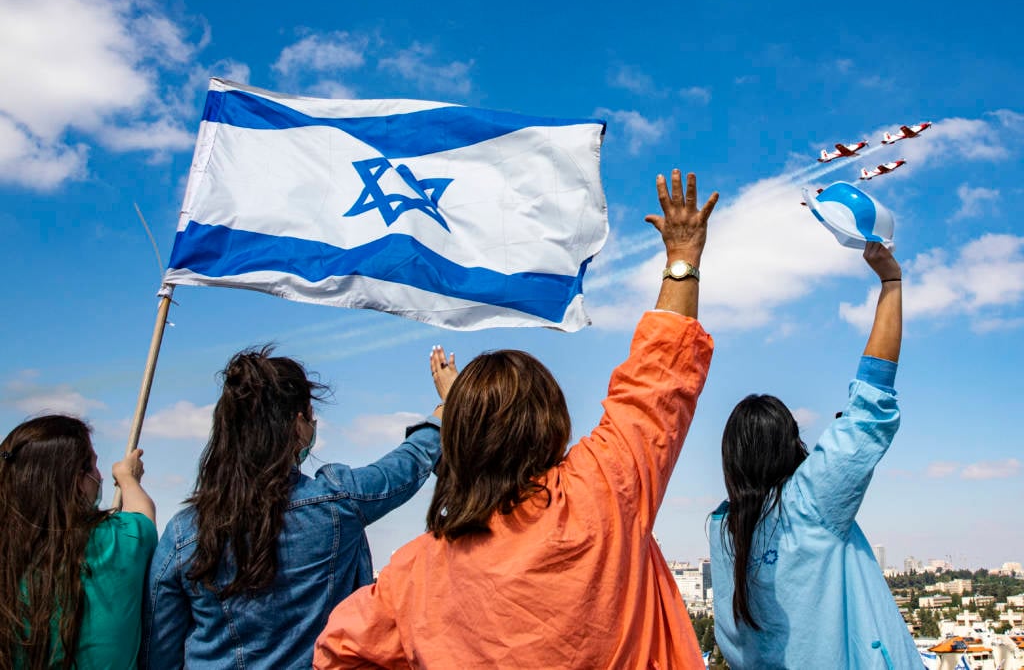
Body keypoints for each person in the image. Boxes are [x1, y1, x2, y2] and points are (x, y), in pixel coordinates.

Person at [314, 170, 719, 668]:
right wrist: (682, 258)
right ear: (552, 425)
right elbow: (658, 380)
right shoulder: (604, 493)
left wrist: (464, 411)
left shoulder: (417, 574)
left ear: (458, 445)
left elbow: (341, 652)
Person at [141, 345, 454, 669]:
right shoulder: (338, 502)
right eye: (310, 415)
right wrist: (444, 411)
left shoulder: (183, 533)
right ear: (298, 424)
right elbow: (403, 467)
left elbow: (160, 653)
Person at [709, 242, 915, 668]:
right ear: (792, 445)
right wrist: (891, 283)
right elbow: (871, 402)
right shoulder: (811, 503)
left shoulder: (721, 528)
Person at [0, 414, 157, 669]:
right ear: (77, 480)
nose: (100, 475)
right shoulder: (119, 541)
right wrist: (127, 477)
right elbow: (143, 513)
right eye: (94, 466)